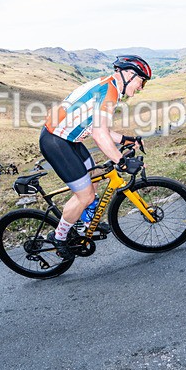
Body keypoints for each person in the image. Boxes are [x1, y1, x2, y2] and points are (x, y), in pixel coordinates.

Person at [40, 55, 151, 259]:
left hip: (69, 140)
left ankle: (83, 226)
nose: (141, 87)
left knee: (95, 178)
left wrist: (126, 140)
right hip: (56, 141)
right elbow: (99, 134)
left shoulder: (110, 87)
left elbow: (97, 128)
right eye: (141, 81)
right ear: (128, 74)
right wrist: (121, 161)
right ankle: (60, 237)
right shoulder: (108, 92)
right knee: (85, 195)